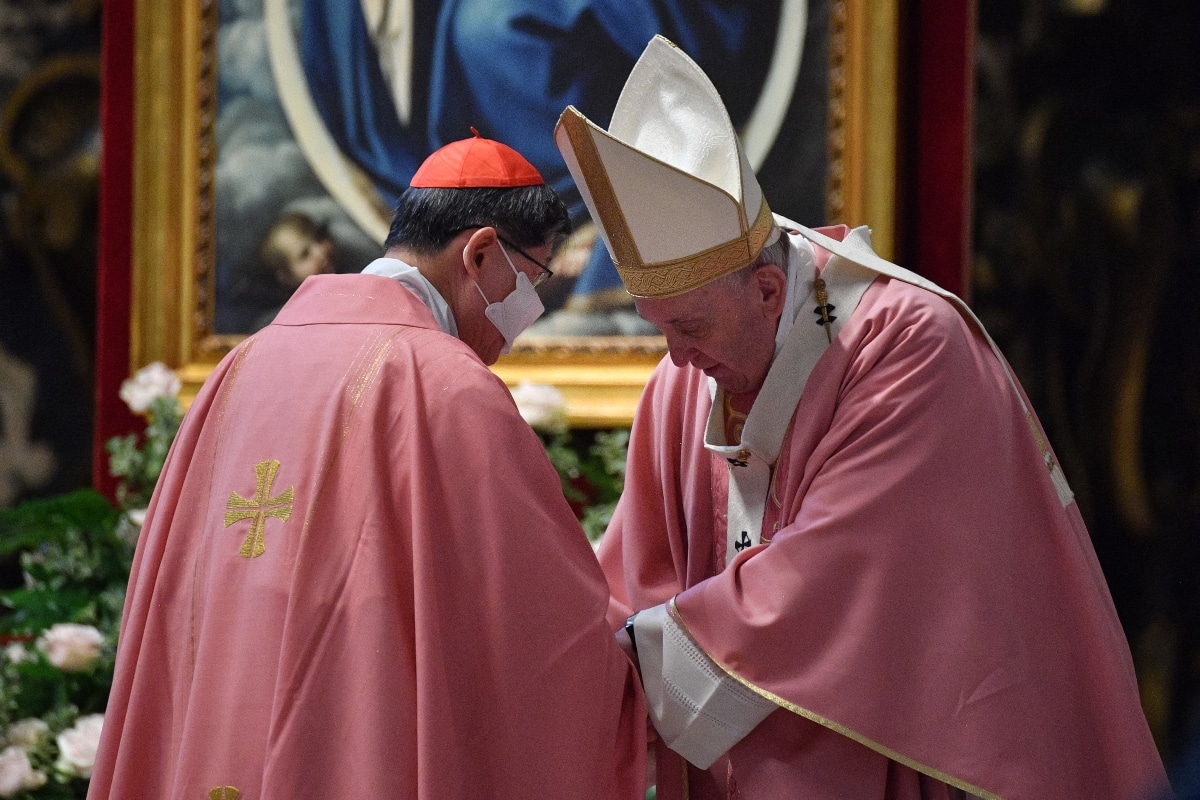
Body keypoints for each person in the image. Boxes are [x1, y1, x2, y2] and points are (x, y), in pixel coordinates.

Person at [555, 35, 1170, 799]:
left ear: (769, 294)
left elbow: (838, 578)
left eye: (690, 328)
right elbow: (631, 579)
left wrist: (645, 660)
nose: (674, 357)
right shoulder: (681, 384)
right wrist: (565, 673)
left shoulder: (907, 345)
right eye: (656, 327)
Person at [87, 133, 647, 799]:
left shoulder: (240, 368)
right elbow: (544, 628)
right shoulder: (445, 384)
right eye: (536, 277)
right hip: (349, 746)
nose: (531, 310)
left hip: (220, 729)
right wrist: (649, 653)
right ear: (481, 252)